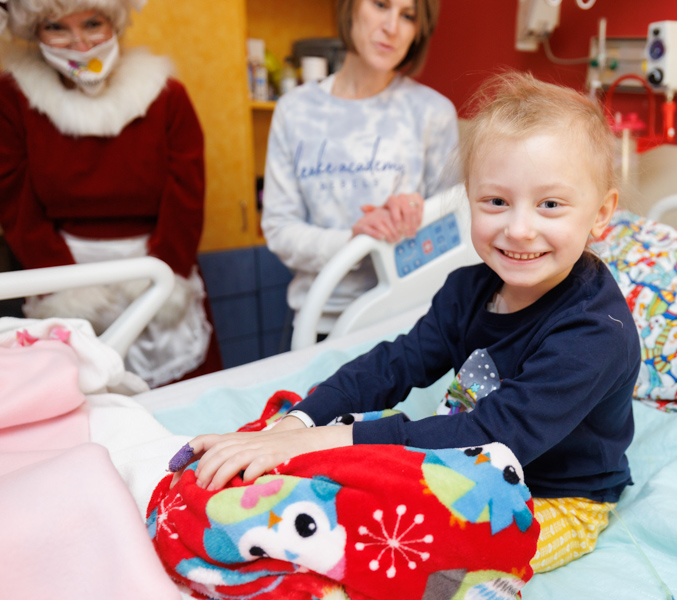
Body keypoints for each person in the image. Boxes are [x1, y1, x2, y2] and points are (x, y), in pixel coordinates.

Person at [179, 71, 641, 573]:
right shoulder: (468, 289)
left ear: (600, 214)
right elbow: (395, 364)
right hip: (464, 446)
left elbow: (491, 434)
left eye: (550, 204)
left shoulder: (596, 334)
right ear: (469, 196)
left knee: (411, 542)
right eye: (496, 202)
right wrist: (297, 425)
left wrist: (318, 444)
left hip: (557, 494)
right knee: (331, 452)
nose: (519, 228)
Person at [0, 0, 222, 387]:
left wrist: (166, 274)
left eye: (92, 23)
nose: (80, 44)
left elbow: (186, 196)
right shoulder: (13, 100)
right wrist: (65, 287)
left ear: (114, 22)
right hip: (60, 270)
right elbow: (15, 202)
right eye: (57, 27)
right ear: (35, 31)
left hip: (160, 264)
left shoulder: (167, 96)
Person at [261, 0, 459, 334]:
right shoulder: (294, 111)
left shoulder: (433, 113)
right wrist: (354, 239)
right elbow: (280, 229)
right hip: (318, 319)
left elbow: (455, 235)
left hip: (407, 323)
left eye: (407, 16)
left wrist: (419, 215)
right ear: (350, 7)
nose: (392, 27)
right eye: (381, 4)